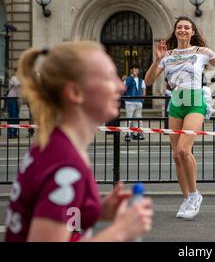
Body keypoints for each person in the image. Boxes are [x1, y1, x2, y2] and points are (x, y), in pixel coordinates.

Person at [4, 41, 153, 242]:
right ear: (75, 92)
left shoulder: (56, 145)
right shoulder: (65, 165)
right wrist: (120, 232)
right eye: (109, 77)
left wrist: (95, 212)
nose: (120, 86)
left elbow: (63, 222)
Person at [144, 16, 215, 219]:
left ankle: (195, 195)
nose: (183, 30)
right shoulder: (167, 55)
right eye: (179, 27)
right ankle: (187, 198)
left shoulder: (202, 52)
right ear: (175, 31)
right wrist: (157, 60)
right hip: (176, 102)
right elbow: (148, 81)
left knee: (185, 149)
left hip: (195, 101)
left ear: (193, 32)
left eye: (187, 27)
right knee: (176, 155)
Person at [123, 64, 146, 142]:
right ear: (131, 70)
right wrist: (130, 77)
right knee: (129, 119)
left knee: (137, 119)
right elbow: (124, 89)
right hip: (130, 102)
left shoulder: (141, 80)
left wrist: (142, 99)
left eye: (137, 69)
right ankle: (127, 134)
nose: (136, 70)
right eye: (135, 69)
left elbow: (143, 90)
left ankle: (135, 134)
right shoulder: (128, 79)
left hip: (138, 102)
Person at [6, 68, 20, 139]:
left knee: (16, 116)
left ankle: (14, 133)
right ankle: (10, 133)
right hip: (11, 98)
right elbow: (18, 84)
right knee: (12, 116)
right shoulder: (14, 78)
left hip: (17, 99)